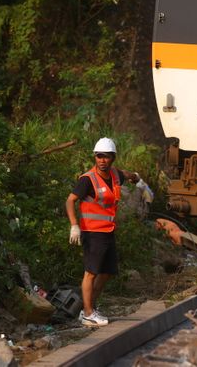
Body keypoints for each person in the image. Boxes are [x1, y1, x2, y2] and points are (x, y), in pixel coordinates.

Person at [65, 137, 142, 327]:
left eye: (106, 157)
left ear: (112, 158)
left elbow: (127, 174)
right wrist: (74, 225)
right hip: (92, 232)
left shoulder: (115, 175)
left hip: (108, 231)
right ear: (95, 157)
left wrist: (137, 178)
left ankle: (90, 307)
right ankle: (88, 313)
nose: (102, 160)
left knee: (107, 271)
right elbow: (70, 200)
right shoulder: (87, 180)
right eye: (99, 156)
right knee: (90, 272)